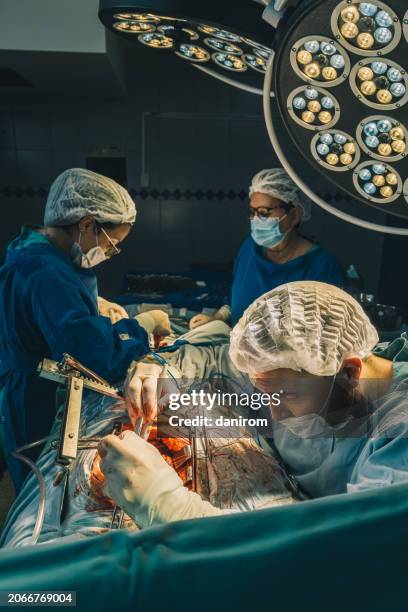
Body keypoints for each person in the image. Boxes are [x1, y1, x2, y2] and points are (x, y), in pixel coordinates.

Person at [98, 281, 408, 527]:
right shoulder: (298, 372)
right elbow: (216, 357)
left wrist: (169, 504)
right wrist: (160, 366)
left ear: (350, 373)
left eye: (287, 397)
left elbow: (344, 551)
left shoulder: (397, 437)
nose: (274, 411)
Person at [0, 168, 170, 490]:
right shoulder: (48, 273)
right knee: (42, 490)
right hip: (36, 397)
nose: (109, 253)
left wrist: (90, 304)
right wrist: (140, 328)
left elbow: (42, 305)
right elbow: (97, 359)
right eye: (112, 244)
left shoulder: (37, 247)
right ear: (87, 224)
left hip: (23, 385)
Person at [189, 168, 344, 330]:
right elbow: (239, 300)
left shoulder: (323, 267)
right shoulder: (249, 249)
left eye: (263, 213)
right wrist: (219, 317)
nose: (255, 220)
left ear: (294, 215)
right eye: (252, 211)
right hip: (237, 352)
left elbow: (331, 330)